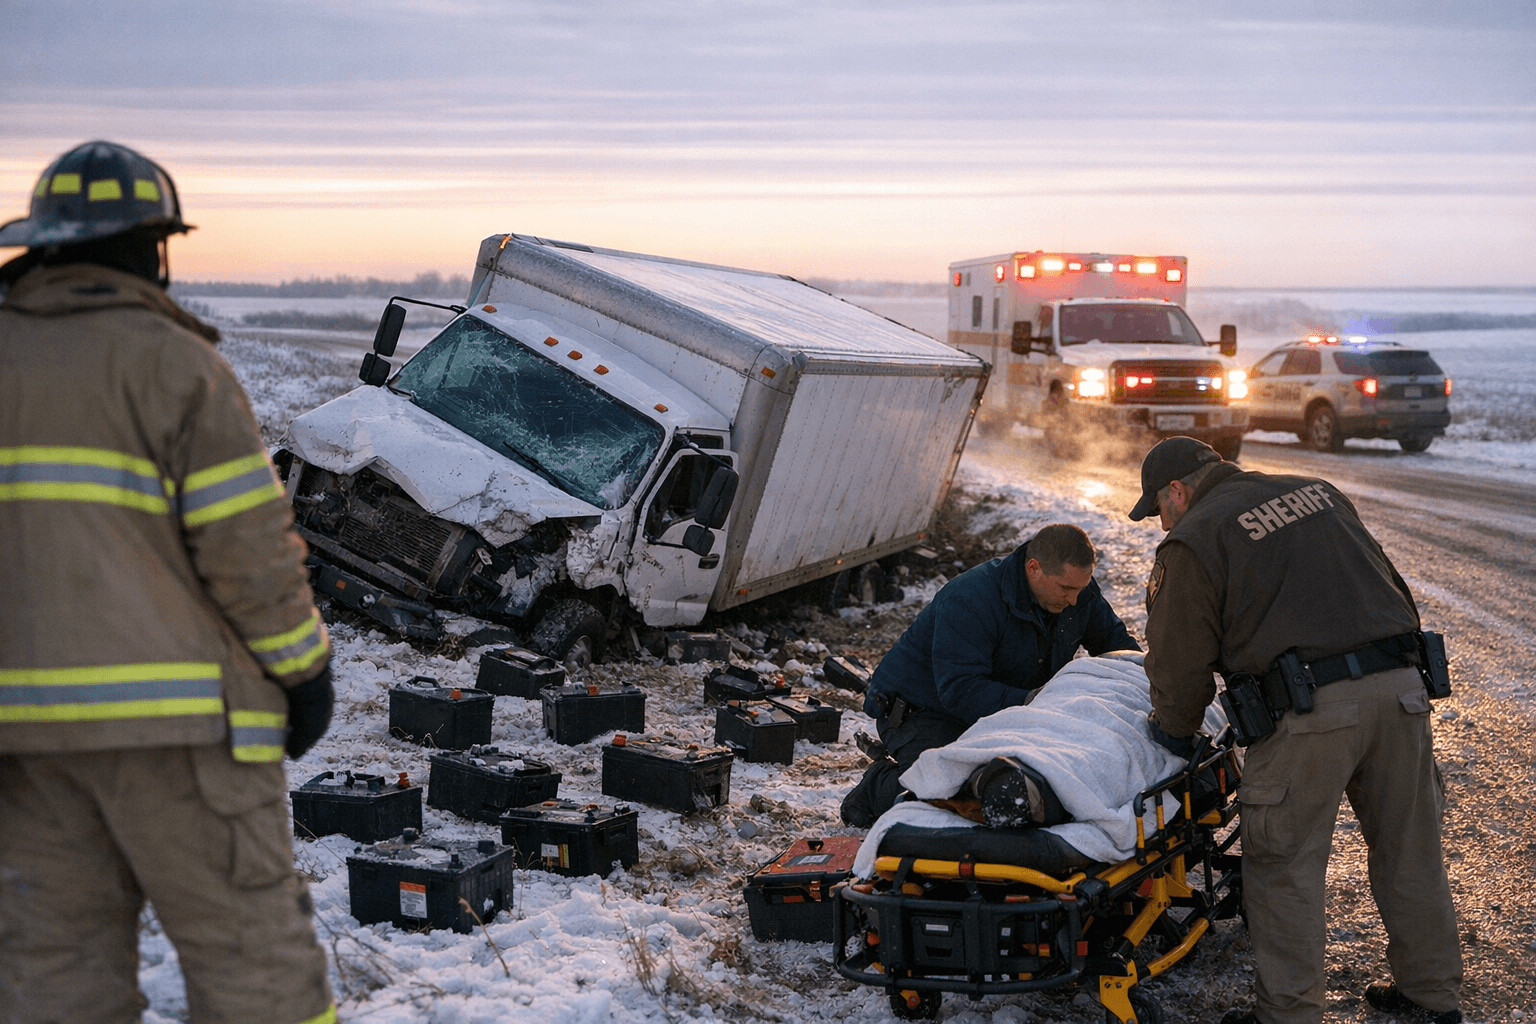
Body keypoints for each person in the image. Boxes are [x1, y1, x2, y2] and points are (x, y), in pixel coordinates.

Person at [0, 141, 337, 1024]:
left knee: (49, 976)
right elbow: (250, 553)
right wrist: (303, 672)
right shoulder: (177, 365)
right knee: (251, 961)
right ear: (156, 248)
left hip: (22, 748)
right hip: (181, 735)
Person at [1129, 436, 1462, 1024]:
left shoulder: (1196, 536)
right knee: (1410, 850)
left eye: (1158, 511)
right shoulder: (1317, 493)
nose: (1161, 524)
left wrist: (1176, 734)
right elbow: (1391, 586)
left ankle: (1288, 1015)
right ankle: (1432, 996)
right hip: (1403, 691)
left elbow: (1178, 659)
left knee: (1284, 865)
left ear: (1176, 490)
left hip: (1310, 712)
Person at [839, 522, 1137, 828]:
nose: (1074, 599)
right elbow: (960, 689)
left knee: (1029, 791)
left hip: (1011, 708)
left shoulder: (1078, 594)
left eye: (1081, 588)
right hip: (925, 712)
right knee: (953, 797)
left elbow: (1118, 650)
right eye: (1065, 589)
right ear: (1033, 568)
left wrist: (1145, 683)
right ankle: (879, 787)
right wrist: (1035, 702)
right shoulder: (971, 597)